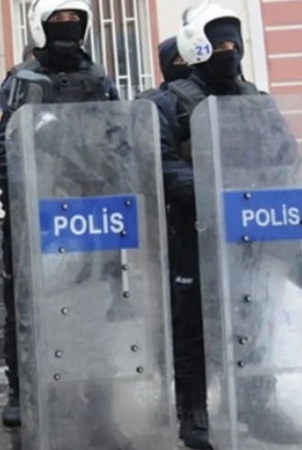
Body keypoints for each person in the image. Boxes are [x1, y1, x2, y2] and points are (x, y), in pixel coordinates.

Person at [154, 3, 302, 448]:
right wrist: (213, 193)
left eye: (233, 44)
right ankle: (194, 412)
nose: (229, 52)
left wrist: (263, 193)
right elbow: (162, 163)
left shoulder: (256, 100)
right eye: (218, 44)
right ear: (197, 48)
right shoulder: (169, 104)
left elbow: (284, 155)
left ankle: (257, 405)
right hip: (193, 231)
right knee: (192, 325)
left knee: (252, 318)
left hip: (251, 232)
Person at [0, 0, 119, 429]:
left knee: (93, 306)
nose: (67, 26)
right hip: (34, 214)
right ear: (40, 26)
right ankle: (22, 390)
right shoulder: (20, 82)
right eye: (57, 20)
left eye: (74, 19)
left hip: (90, 214)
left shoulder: (99, 79)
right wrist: (26, 184)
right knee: (24, 304)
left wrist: (112, 177)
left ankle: (99, 398)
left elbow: (121, 136)